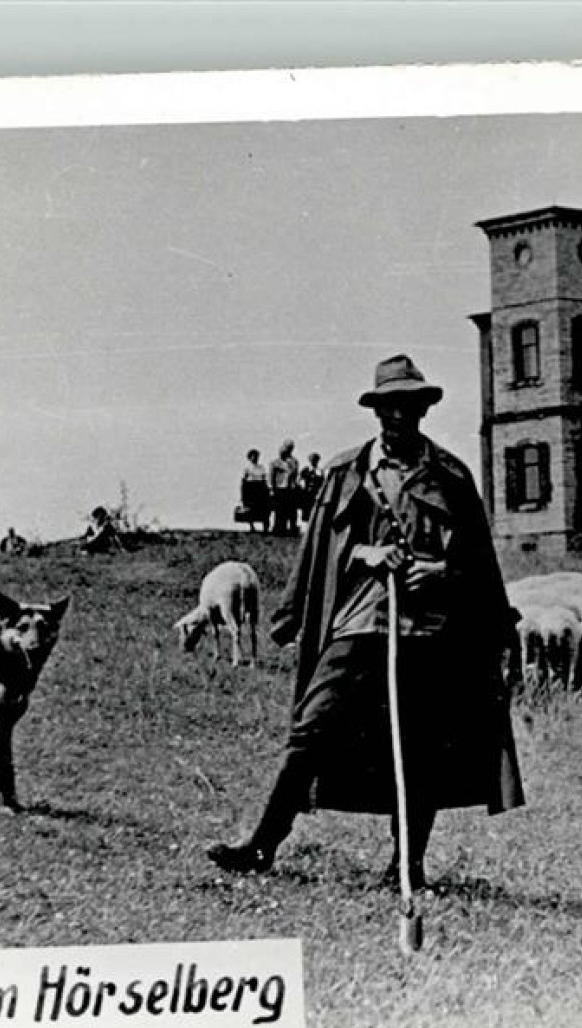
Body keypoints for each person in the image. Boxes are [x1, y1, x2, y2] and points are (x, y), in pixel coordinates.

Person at [208, 355, 524, 890]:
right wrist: (366, 555)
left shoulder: (451, 476)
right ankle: (261, 845)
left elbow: (478, 560)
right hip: (359, 623)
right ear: (376, 412)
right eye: (386, 408)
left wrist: (441, 569)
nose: (395, 418)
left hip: (430, 633)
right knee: (310, 730)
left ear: (422, 410)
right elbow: (322, 549)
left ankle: (408, 866)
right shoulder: (344, 473)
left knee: (420, 749)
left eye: (406, 408)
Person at [269, 439, 301, 535]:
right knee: (279, 510)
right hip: (280, 488)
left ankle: (292, 528)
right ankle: (279, 528)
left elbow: (296, 474)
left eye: (290, 448)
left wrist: (296, 484)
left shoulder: (294, 461)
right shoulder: (275, 462)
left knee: (291, 510)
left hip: (290, 488)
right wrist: (272, 488)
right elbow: (271, 476)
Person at [240, 449, 271, 532]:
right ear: (249, 458)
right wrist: (243, 494)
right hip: (250, 488)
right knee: (251, 508)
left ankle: (265, 527)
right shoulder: (247, 468)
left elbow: (264, 479)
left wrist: (267, 489)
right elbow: (243, 480)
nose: (255, 458)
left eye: (256, 456)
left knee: (264, 508)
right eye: (253, 456)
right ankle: (252, 526)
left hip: (260, 488)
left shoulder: (261, 467)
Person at [297, 451, 323, 523]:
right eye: (312, 460)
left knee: (314, 510)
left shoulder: (320, 471)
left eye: (315, 460)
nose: (314, 462)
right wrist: (302, 484)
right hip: (306, 494)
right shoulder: (305, 470)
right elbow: (299, 480)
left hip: (316, 493)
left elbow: (322, 481)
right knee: (306, 511)